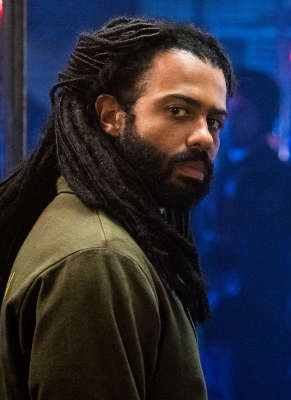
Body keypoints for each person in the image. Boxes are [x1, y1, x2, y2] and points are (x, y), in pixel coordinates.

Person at [0, 17, 235, 399]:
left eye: (214, 121)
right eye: (178, 110)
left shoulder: (106, 234)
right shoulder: (98, 258)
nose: (203, 137)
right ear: (111, 116)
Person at [195, 69, 291, 399]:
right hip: (223, 321)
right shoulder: (222, 173)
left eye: (242, 112)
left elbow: (271, 252)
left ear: (264, 116)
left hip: (263, 323)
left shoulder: (278, 180)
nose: (231, 122)